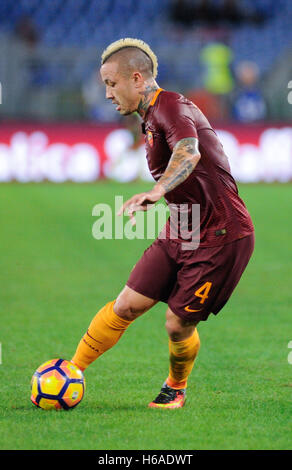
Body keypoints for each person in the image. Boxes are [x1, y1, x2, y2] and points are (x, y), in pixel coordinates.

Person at [71, 38, 254, 409]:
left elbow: (189, 151)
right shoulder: (150, 116)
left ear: (137, 79)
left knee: (176, 323)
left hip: (220, 233)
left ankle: (176, 389)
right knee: (126, 305)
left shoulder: (170, 106)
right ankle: (70, 371)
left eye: (111, 84)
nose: (107, 94)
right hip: (182, 226)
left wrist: (157, 191)